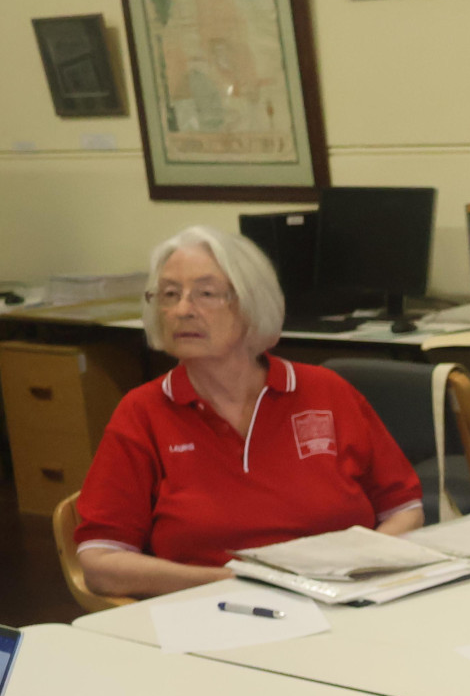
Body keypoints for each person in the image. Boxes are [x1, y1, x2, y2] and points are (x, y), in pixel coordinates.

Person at [74, 226, 424, 597]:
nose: (181, 311)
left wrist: (348, 575)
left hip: (343, 600)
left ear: (252, 302)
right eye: (169, 295)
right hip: (214, 610)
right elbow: (100, 562)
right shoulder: (142, 413)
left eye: (206, 294)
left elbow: (405, 509)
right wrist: (232, 582)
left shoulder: (326, 391)